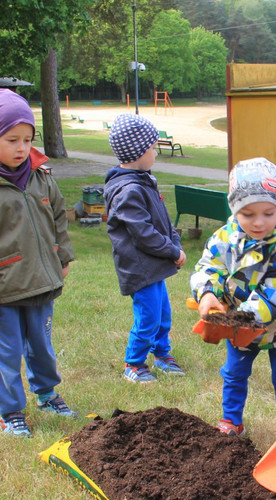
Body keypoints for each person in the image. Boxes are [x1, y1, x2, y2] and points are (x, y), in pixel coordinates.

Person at [0, 89, 77, 437]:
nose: (22, 148)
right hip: (3, 295)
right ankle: (10, 411)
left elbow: (58, 219)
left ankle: (47, 393)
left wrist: (62, 256)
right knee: (6, 355)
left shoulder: (42, 178)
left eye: (27, 139)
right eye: (12, 140)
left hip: (41, 284)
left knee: (42, 346)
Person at [191, 157, 276, 437]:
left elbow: (274, 295)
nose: (259, 222)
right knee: (234, 373)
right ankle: (232, 421)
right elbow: (209, 267)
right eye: (248, 214)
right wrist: (207, 294)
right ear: (234, 210)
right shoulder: (225, 237)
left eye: (268, 213)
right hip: (239, 325)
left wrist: (234, 320)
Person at [104, 113, 187, 384]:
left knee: (163, 314)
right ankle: (134, 363)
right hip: (140, 269)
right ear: (138, 152)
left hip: (154, 267)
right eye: (152, 148)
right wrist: (172, 251)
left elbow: (161, 221)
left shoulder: (143, 181)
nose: (155, 153)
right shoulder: (128, 190)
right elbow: (144, 235)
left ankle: (162, 354)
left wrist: (175, 241)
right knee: (148, 317)